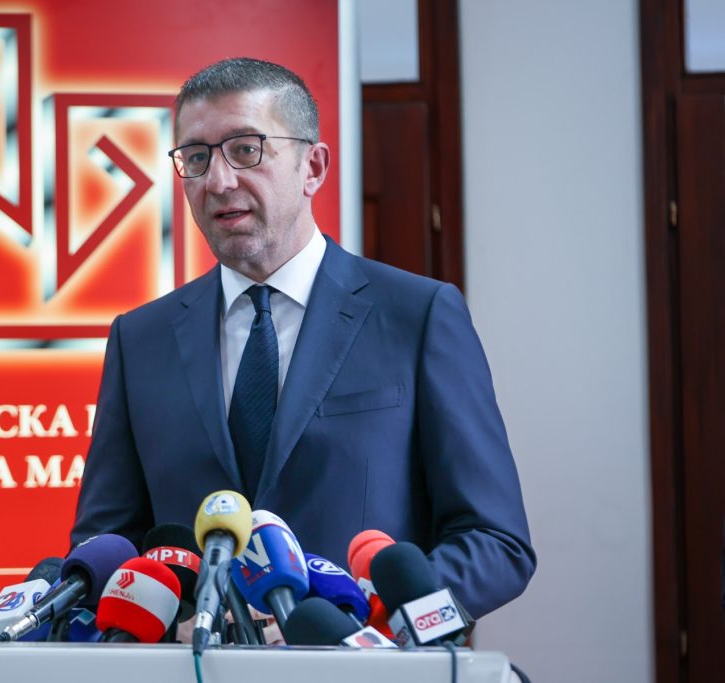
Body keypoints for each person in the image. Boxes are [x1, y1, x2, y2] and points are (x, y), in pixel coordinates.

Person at [71, 57, 535, 619]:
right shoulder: (140, 339)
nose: (218, 181)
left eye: (246, 150)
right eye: (196, 158)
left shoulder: (418, 316)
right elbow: (105, 544)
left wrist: (364, 621)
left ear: (312, 167)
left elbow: (495, 542)